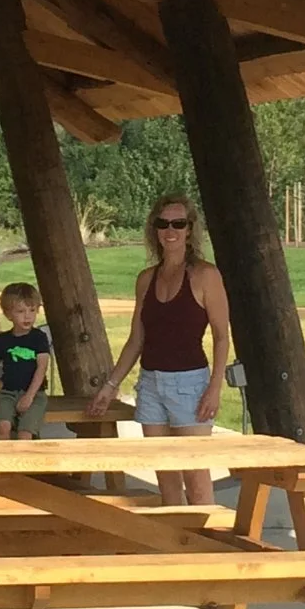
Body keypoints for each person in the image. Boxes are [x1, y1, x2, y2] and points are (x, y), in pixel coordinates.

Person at [86, 194, 230, 506]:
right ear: (154, 229)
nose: (170, 230)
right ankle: (176, 546)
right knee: (165, 474)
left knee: (195, 475)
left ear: (190, 230)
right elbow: (137, 339)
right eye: (163, 223)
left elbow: (221, 336)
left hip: (190, 384)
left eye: (179, 223)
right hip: (150, 383)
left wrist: (214, 387)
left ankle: (206, 548)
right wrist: (110, 386)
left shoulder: (206, 275)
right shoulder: (146, 279)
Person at [0, 281, 52, 440]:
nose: (27, 316)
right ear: (8, 315)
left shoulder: (39, 338)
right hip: (8, 393)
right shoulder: (4, 340)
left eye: (32, 310)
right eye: (20, 311)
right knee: (3, 426)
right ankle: (4, 460)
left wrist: (29, 396)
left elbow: (41, 369)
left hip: (35, 394)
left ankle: (23, 461)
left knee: (25, 433)